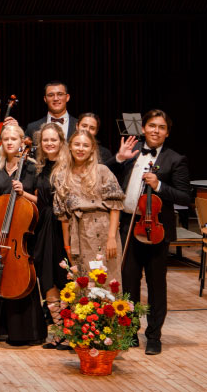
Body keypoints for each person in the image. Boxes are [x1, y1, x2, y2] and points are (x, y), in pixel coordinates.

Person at [107, 109, 190, 355]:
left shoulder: (176, 159)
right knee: (129, 284)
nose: (156, 130)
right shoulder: (131, 154)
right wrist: (119, 159)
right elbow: (105, 175)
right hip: (128, 226)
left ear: (167, 132)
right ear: (143, 128)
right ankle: (130, 331)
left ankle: (153, 336)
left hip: (156, 231)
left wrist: (160, 185)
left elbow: (186, 196)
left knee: (156, 285)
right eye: (152, 125)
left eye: (161, 127)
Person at [0, 124, 47, 345]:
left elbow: (41, 203)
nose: (10, 142)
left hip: (21, 232)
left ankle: (25, 332)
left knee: (20, 277)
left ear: (22, 142)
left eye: (14, 139)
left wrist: (23, 193)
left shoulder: (31, 168)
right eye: (5, 139)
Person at [52, 129, 124, 275]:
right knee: (83, 284)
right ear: (70, 146)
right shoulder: (61, 176)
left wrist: (111, 238)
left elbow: (115, 207)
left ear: (92, 149)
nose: (80, 149)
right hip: (78, 234)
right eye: (77, 144)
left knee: (108, 283)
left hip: (104, 231)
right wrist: (67, 246)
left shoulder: (102, 171)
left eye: (85, 145)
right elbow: (64, 218)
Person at [33, 123, 69, 350]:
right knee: (47, 280)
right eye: (45, 140)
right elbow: (42, 201)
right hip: (44, 227)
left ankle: (69, 333)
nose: (49, 143)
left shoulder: (68, 167)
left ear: (61, 141)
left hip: (62, 226)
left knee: (65, 279)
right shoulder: (41, 167)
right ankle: (58, 333)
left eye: (53, 140)